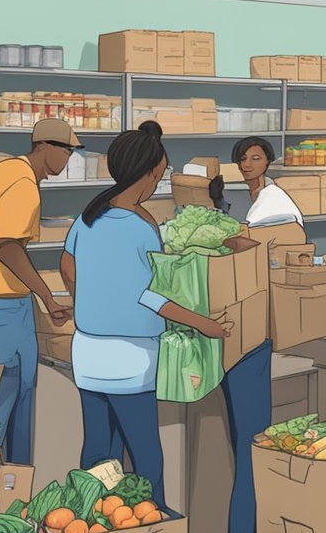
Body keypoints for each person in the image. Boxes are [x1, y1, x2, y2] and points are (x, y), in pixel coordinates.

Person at [60, 122, 231, 509]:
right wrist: (204, 324)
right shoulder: (140, 227)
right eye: (162, 173)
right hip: (130, 357)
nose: (161, 181)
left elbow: (67, 266)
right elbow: (150, 295)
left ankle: (89, 519)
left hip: (87, 352)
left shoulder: (88, 217)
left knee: (99, 451)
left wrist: (90, 299)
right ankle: (153, 524)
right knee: (145, 454)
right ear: (149, 172)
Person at [211, 135, 303, 533]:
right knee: (244, 445)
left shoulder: (275, 203)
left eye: (255, 157)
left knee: (250, 449)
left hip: (252, 332)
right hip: (236, 330)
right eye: (242, 158)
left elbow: (273, 249)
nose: (247, 164)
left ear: (268, 160)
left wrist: (231, 240)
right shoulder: (243, 201)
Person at [0, 119, 78, 465]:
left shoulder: (7, 170)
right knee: (3, 405)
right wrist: (47, 295)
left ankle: (11, 488)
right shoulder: (23, 184)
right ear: (45, 147)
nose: (68, 159)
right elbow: (7, 246)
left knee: (12, 401)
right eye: (66, 150)